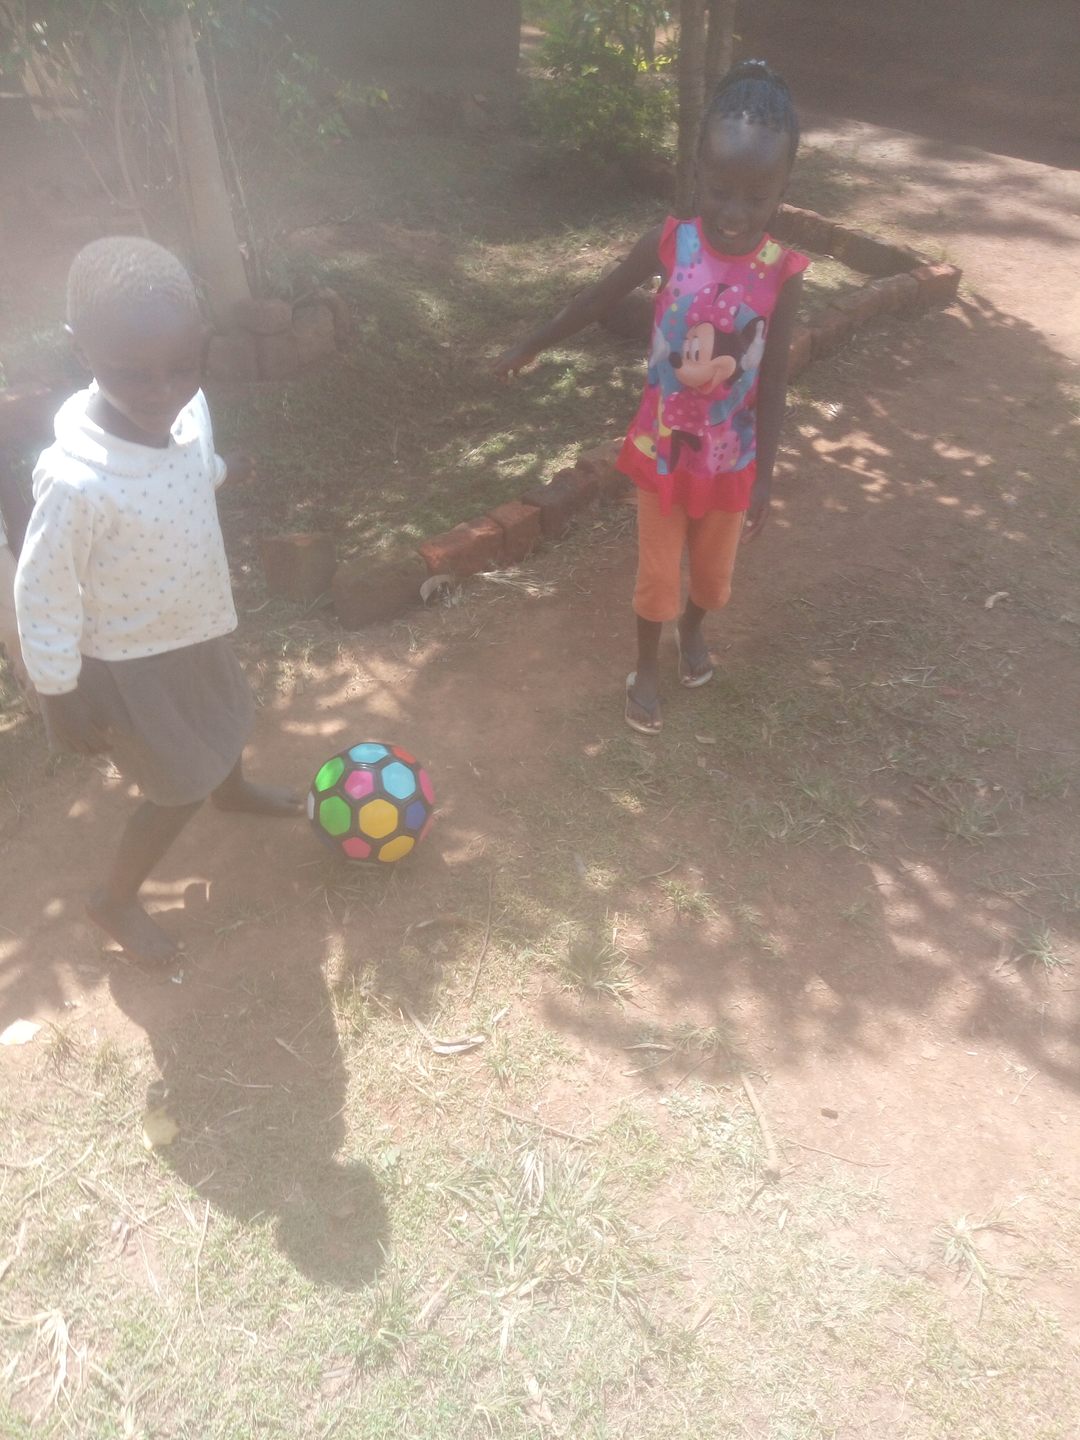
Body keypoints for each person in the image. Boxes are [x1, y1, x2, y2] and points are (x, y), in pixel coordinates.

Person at [494, 60, 808, 734]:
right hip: (662, 453)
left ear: (783, 190)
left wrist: (766, 474)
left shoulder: (782, 272)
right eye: (720, 191)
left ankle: (692, 631)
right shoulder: (670, 243)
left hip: (731, 461)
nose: (735, 213)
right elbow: (597, 300)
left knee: (713, 579)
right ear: (697, 172)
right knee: (658, 575)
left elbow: (774, 379)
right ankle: (644, 667)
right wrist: (531, 343)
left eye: (757, 197)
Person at [15, 236, 299, 964]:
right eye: (130, 374)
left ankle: (232, 791)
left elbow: (186, 465)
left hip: (197, 622)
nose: (160, 391)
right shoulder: (75, 480)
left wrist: (222, 470)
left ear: (199, 345)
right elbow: (42, 588)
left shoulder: (187, 406)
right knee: (175, 788)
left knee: (224, 716)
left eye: (181, 365)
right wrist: (57, 692)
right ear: (81, 350)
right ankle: (112, 900)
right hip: (132, 663)